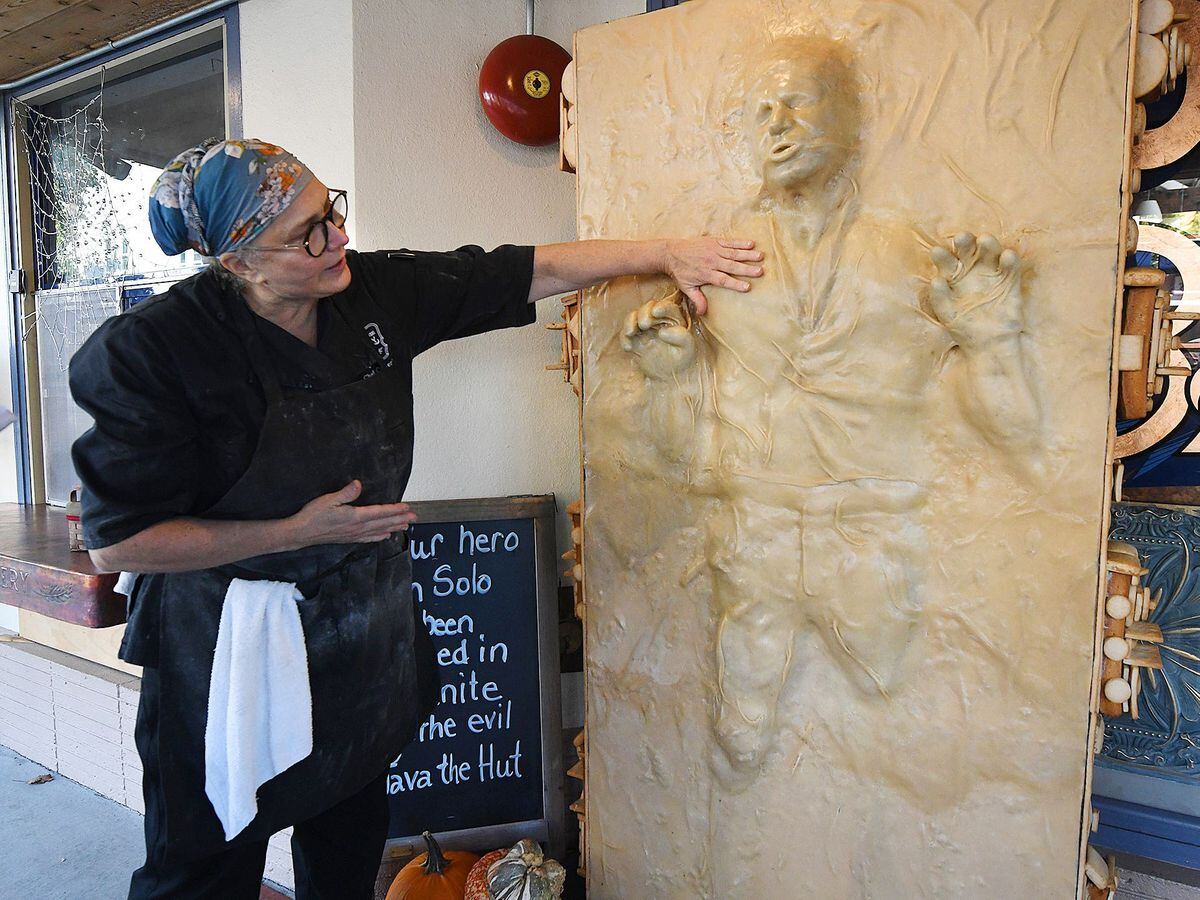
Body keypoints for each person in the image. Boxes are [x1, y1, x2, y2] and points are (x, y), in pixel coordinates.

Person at [67, 137, 764, 899]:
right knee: (202, 870)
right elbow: (118, 543)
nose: (338, 238)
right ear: (239, 261)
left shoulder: (370, 293)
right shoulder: (157, 352)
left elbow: (525, 269)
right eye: (306, 233)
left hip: (362, 645)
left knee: (347, 849)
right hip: (230, 649)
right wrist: (293, 533)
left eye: (330, 209)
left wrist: (668, 253)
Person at [618, 35, 1041, 782]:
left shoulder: (916, 258)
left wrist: (993, 338)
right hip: (756, 547)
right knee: (740, 749)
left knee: (895, 733)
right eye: (758, 112)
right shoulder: (713, 272)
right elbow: (666, 462)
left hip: (873, 544)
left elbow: (1018, 436)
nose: (776, 124)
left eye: (797, 101)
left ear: (849, 117)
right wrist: (670, 380)